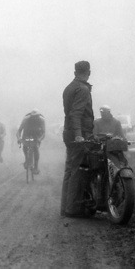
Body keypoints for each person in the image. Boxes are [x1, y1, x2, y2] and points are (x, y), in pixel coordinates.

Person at [61, 60, 94, 218]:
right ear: (88, 72)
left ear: (75, 72)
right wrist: (79, 134)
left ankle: (66, 207)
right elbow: (76, 113)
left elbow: (70, 112)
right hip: (78, 134)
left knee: (69, 169)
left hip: (68, 132)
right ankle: (73, 209)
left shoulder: (69, 87)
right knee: (76, 170)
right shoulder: (82, 89)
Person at [17, 109, 45, 174]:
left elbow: (43, 133)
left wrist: (39, 139)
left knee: (36, 148)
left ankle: (36, 166)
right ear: (31, 116)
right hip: (27, 134)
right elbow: (19, 131)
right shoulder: (26, 119)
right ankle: (27, 159)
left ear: (38, 116)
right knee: (25, 146)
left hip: (36, 135)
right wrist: (19, 138)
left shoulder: (41, 120)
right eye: (33, 117)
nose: (35, 118)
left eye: (36, 116)